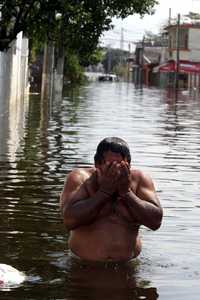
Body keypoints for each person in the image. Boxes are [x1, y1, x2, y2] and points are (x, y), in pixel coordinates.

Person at [60, 137, 163, 262]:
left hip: (127, 266)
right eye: (110, 165)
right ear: (97, 164)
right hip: (83, 265)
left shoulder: (140, 179)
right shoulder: (80, 179)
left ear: (129, 165)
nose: (115, 171)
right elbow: (69, 220)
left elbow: (155, 222)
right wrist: (104, 192)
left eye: (120, 165)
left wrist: (127, 193)